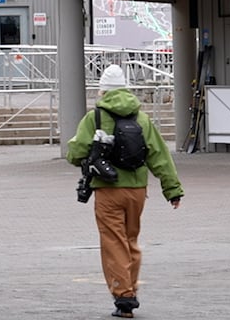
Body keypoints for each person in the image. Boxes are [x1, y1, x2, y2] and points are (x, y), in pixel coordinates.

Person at [67, 64, 184, 319]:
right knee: (131, 240)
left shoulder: (95, 118)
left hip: (109, 191)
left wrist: (88, 156)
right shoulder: (142, 119)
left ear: (103, 91)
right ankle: (130, 287)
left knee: (113, 242)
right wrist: (172, 189)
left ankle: (124, 296)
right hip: (138, 190)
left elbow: (74, 154)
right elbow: (159, 155)